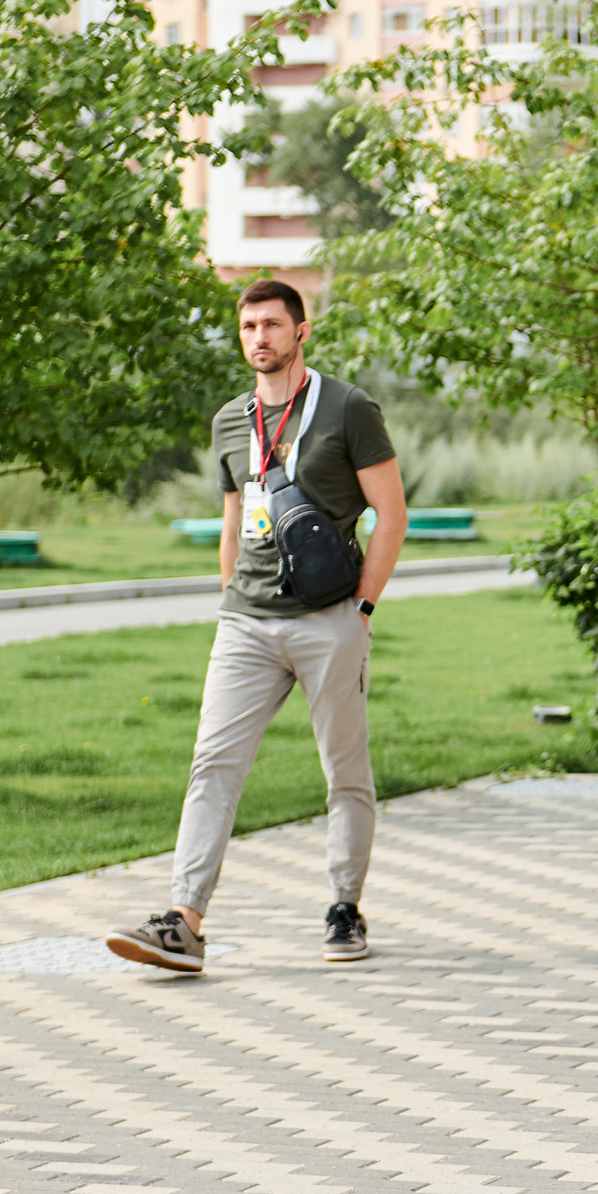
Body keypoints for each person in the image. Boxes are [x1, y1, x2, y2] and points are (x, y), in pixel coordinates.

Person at [107, 279, 408, 973]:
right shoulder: (230, 420)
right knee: (213, 764)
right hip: (245, 624)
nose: (259, 338)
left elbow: (390, 515)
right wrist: (227, 600)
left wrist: (362, 610)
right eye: (248, 327)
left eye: (272, 324)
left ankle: (344, 906)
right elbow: (235, 520)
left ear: (303, 332)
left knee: (344, 769)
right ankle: (183, 921)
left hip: (329, 617)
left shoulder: (348, 408)